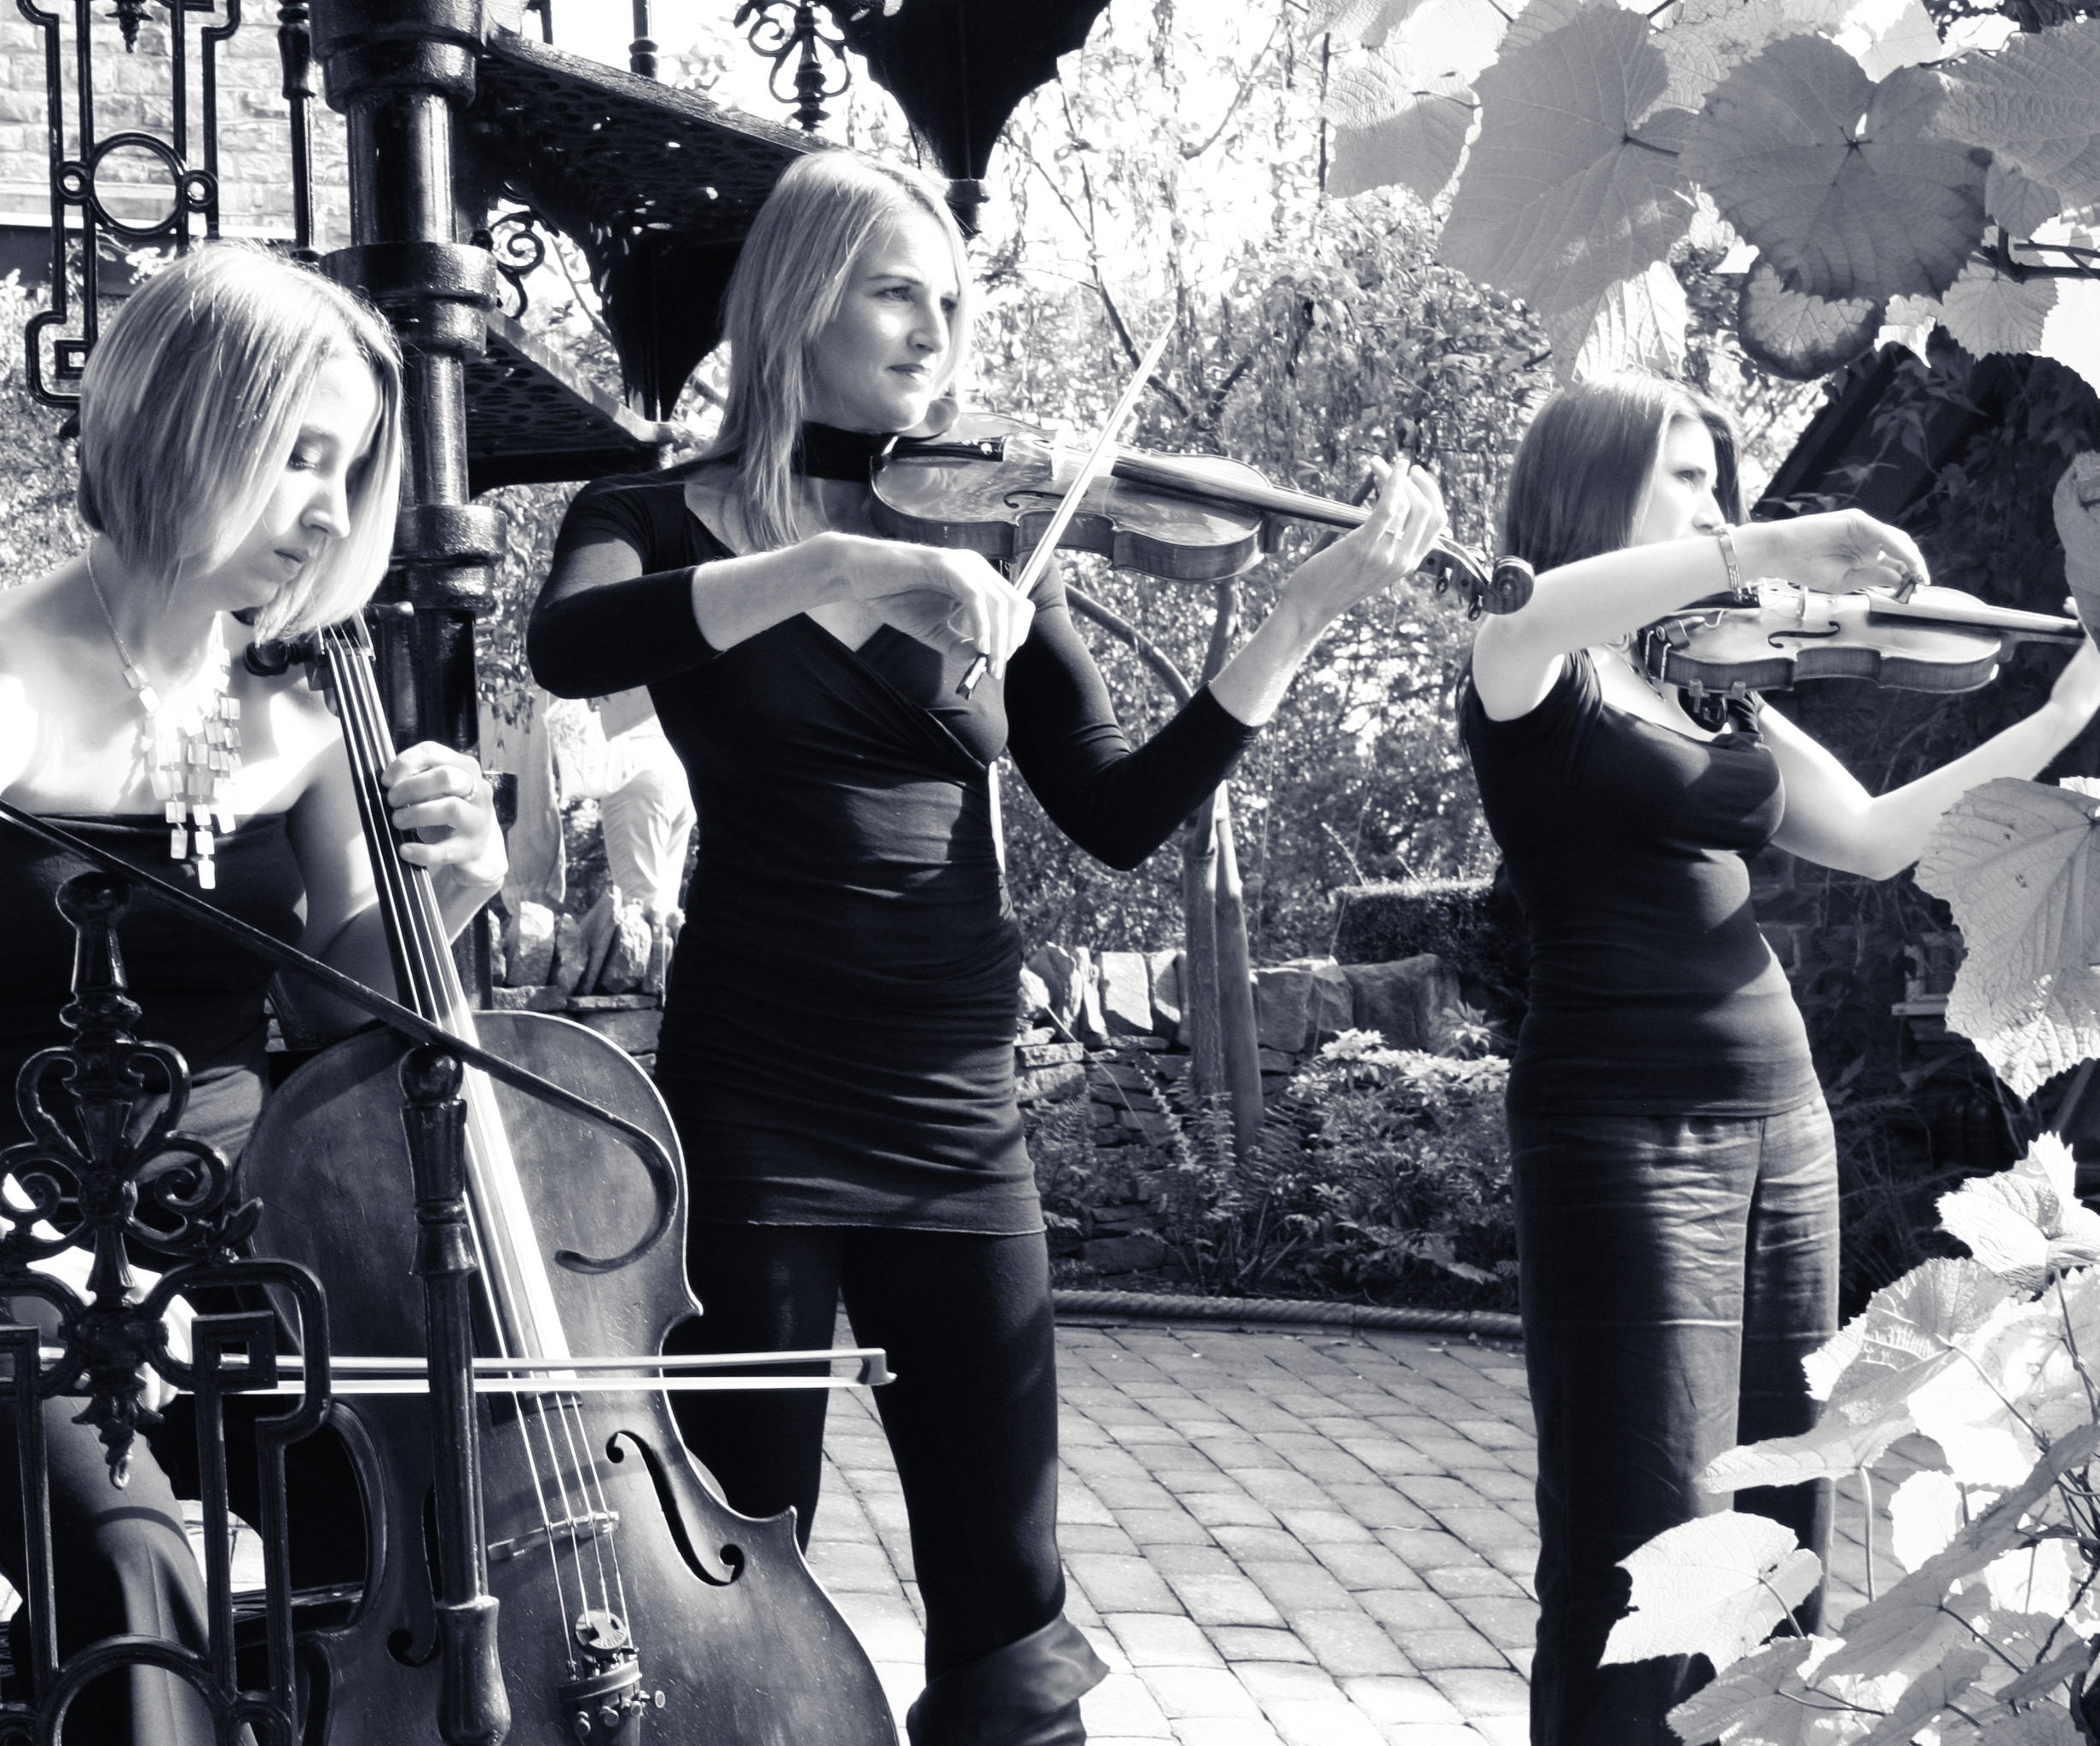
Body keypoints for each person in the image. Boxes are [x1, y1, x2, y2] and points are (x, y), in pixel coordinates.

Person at [525, 149, 1450, 1746]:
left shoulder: (989, 530)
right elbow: (569, 643)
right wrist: (832, 564)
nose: (934, 333)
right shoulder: (648, 514)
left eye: (954, 303)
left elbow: (1113, 810)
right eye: (898, 290)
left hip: (956, 1108)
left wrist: (1292, 621)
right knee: (747, 1544)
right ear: (799, 297)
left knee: (1009, 1586)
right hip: (754, 1097)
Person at [0, 244, 506, 1746]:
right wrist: (54, 1257)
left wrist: (441, 890)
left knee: (426, 1504)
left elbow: (340, 1013)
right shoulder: (3, 674)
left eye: (352, 467)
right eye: (297, 455)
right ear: (189, 426)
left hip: (234, 1234)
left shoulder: (308, 695)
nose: (329, 508)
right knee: (132, 1573)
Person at [1460, 372, 2100, 1745]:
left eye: (1725, 478)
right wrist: (1771, 545)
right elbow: (1529, 602)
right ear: (1597, 488)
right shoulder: (1528, 661)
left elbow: (1881, 838)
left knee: (1781, 1513)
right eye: (1689, 475)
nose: (1723, 503)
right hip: (1622, 1127)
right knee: (1640, 1529)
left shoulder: (1716, 691)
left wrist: (2067, 714)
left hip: (1783, 1118)